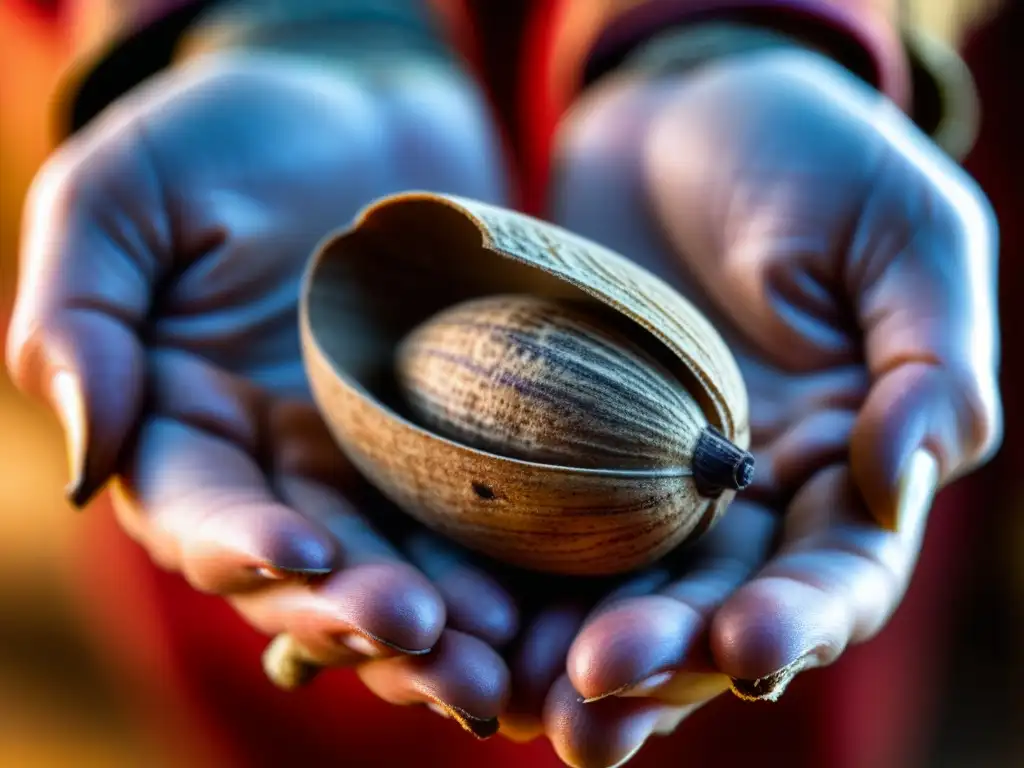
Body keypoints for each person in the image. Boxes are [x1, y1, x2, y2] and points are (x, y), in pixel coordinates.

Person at [5, 1, 1003, 766]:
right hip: (279, 389)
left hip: (771, 328)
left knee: (743, 698)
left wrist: (744, 23)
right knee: (321, 679)